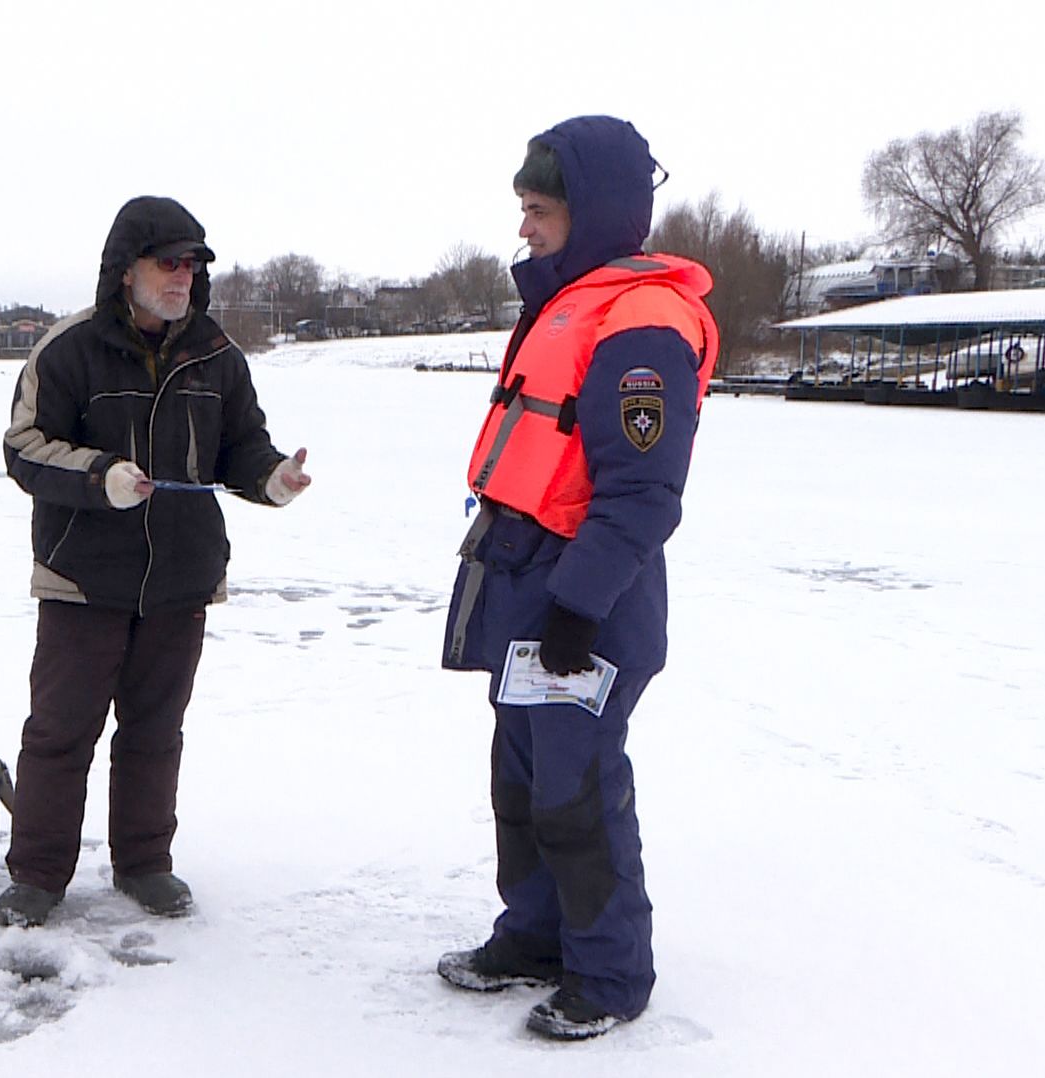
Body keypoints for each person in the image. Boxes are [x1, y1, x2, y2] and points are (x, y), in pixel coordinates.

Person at [437, 116, 720, 1041]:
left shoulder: (644, 321)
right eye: (523, 209)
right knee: (520, 778)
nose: (524, 229)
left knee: (576, 785)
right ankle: (535, 936)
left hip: (582, 595)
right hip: (525, 574)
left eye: (539, 211)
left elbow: (641, 492)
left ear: (592, 212)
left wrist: (577, 604)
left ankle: (608, 972)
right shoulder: (575, 298)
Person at [0, 195, 312, 928]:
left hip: (180, 578)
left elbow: (242, 449)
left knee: (155, 730)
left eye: (194, 264)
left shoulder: (216, 356)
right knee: (60, 732)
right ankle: (38, 876)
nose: (184, 277)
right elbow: (25, 449)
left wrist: (272, 479)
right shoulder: (68, 350)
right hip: (83, 577)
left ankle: (144, 864)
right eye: (168, 262)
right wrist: (102, 476)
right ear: (126, 270)